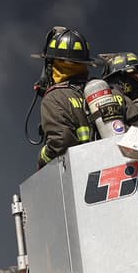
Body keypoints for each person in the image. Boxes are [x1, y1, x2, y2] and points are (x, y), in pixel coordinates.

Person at [33, 26, 97, 168]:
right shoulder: (104, 91)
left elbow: (60, 141)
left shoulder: (54, 98)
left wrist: (43, 158)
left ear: (51, 65)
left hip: (82, 174)